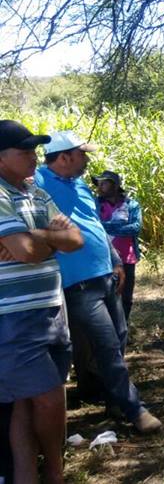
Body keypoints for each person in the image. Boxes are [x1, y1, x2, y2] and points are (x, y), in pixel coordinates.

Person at [34, 130, 162, 434]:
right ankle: (134, 409)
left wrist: (116, 262)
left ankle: (110, 397)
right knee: (106, 344)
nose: (87, 160)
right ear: (65, 157)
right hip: (77, 284)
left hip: (104, 276)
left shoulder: (78, 185)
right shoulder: (37, 181)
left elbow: (94, 226)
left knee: (118, 336)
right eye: (83, 154)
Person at [0, 120, 84, 483]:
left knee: (24, 402)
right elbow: (28, 252)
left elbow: (76, 239)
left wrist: (36, 237)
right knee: (49, 397)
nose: (34, 158)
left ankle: (27, 475)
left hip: (51, 306)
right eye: (25, 152)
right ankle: (54, 469)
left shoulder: (35, 190)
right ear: (1, 159)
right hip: (14, 316)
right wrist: (50, 236)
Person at [94, 170, 142, 321]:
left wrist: (107, 226)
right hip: (103, 257)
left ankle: (124, 328)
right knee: (105, 295)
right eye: (98, 184)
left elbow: (135, 227)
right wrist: (118, 226)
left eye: (104, 183)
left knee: (126, 296)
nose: (99, 187)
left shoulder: (131, 205)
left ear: (115, 186)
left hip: (127, 258)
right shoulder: (95, 204)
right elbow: (94, 226)